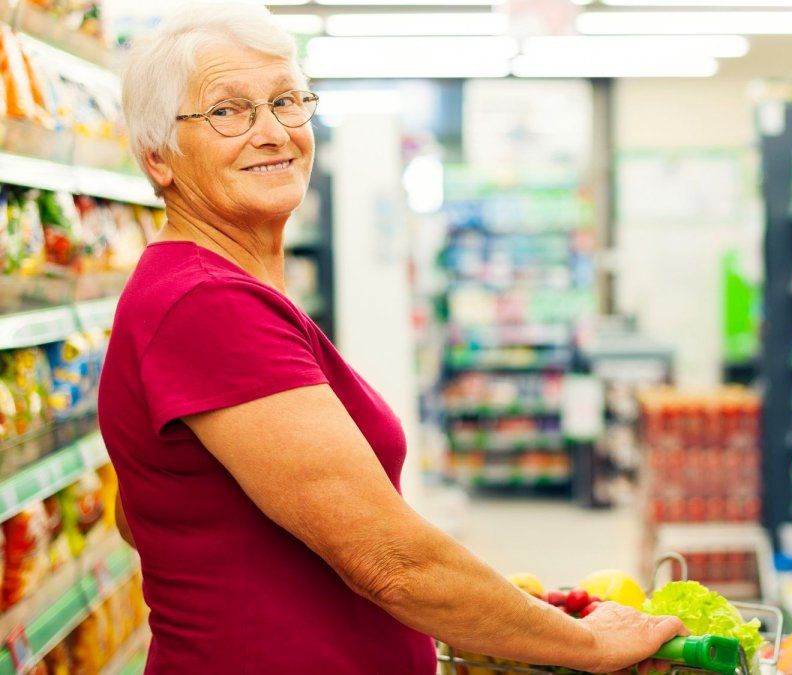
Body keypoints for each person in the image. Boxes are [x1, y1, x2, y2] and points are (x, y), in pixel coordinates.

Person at [97, 4, 685, 673]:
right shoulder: (208, 302)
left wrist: (492, 612)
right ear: (157, 157)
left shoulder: (209, 291)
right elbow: (391, 562)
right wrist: (592, 645)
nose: (273, 132)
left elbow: (141, 508)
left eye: (288, 101)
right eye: (229, 111)